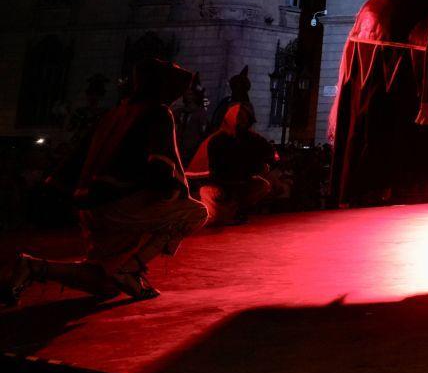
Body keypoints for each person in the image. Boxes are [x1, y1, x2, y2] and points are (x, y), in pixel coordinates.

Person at [2, 59, 208, 305]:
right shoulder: (157, 112)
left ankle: (32, 267)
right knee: (194, 212)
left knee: (105, 283)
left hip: (91, 207)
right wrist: (171, 194)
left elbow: (76, 158)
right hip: (119, 206)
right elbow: (160, 164)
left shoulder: (114, 113)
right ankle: (130, 269)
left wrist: (59, 195)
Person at [198, 103, 276, 226]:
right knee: (206, 192)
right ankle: (223, 214)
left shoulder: (252, 138)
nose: (242, 121)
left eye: (244, 118)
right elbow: (218, 168)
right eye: (239, 118)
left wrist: (261, 165)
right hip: (222, 185)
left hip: (243, 183)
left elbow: (269, 152)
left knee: (262, 185)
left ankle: (238, 211)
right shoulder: (218, 140)